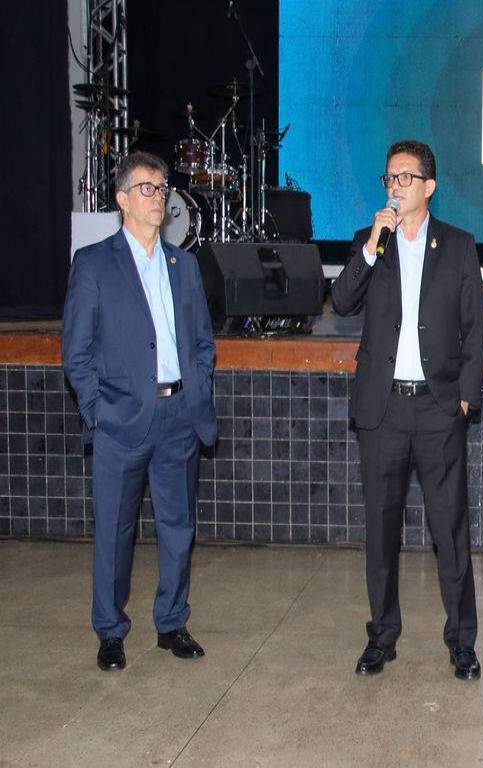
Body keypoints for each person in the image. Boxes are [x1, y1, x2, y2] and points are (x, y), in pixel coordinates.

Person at [331, 140, 483, 680]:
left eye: (405, 177)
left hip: (439, 408)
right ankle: (381, 636)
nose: (395, 186)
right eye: (389, 177)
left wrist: (465, 398)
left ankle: (462, 641)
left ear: (429, 186)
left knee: (450, 530)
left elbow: (475, 329)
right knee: (381, 530)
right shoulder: (371, 241)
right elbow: (341, 301)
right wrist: (371, 247)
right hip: (383, 410)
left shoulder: (459, 246)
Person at [62, 151, 217, 671]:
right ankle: (110, 630)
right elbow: (76, 352)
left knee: (178, 527)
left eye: (163, 188)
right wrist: (97, 411)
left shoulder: (183, 264)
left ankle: (171, 622)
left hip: (178, 419)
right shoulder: (94, 264)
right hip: (120, 421)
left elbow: (202, 341)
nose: (160, 197)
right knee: (114, 532)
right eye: (148, 188)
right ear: (122, 199)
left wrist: (196, 392)